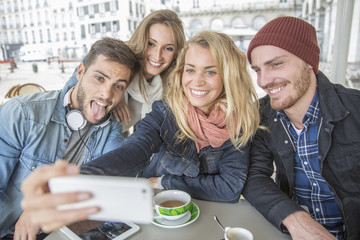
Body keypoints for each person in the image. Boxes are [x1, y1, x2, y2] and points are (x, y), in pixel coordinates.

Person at [20, 30, 261, 232]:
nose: (196, 82)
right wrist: (80, 179)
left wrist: (166, 182)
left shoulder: (241, 123)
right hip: (153, 220)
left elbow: (229, 188)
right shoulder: (166, 111)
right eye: (190, 70)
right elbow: (135, 149)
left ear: (228, 75)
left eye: (210, 71)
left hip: (204, 223)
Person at [0, 37, 140, 239]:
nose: (106, 94)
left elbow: (112, 187)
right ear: (80, 72)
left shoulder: (110, 129)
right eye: (100, 78)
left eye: (118, 86)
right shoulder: (21, 114)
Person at [242, 16, 360, 240]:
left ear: (309, 62)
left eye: (276, 64)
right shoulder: (261, 115)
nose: (264, 81)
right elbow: (254, 175)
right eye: (257, 70)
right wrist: (294, 217)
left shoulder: (355, 109)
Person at [66, 9, 185, 133]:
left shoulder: (170, 86)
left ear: (176, 52)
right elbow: (67, 96)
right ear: (141, 39)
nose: (157, 55)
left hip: (115, 141)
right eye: (151, 43)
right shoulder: (111, 56)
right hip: (75, 132)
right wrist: (115, 94)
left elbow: (143, 132)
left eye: (168, 48)